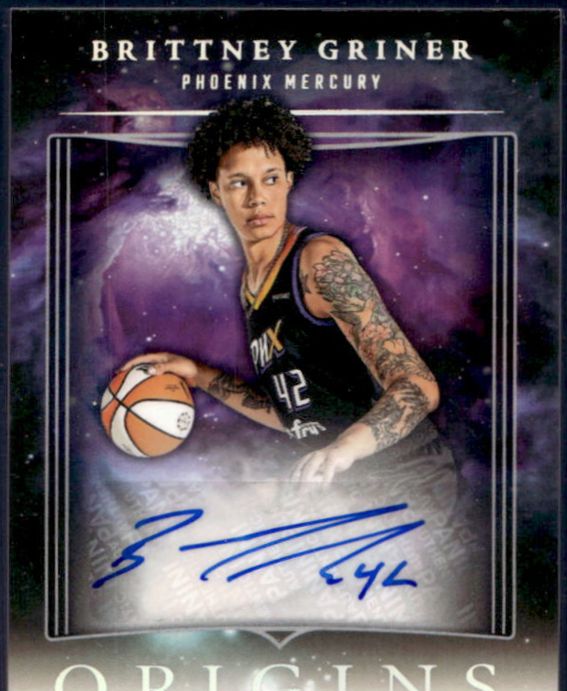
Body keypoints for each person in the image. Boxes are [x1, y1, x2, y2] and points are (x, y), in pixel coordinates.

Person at [121, 96, 443, 485]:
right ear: (216, 191)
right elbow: (295, 413)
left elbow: (418, 387)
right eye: (239, 182)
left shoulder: (318, 261)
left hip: (409, 474)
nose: (257, 197)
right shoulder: (252, 284)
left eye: (271, 178)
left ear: (289, 180)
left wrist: (344, 450)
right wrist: (199, 375)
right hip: (346, 481)